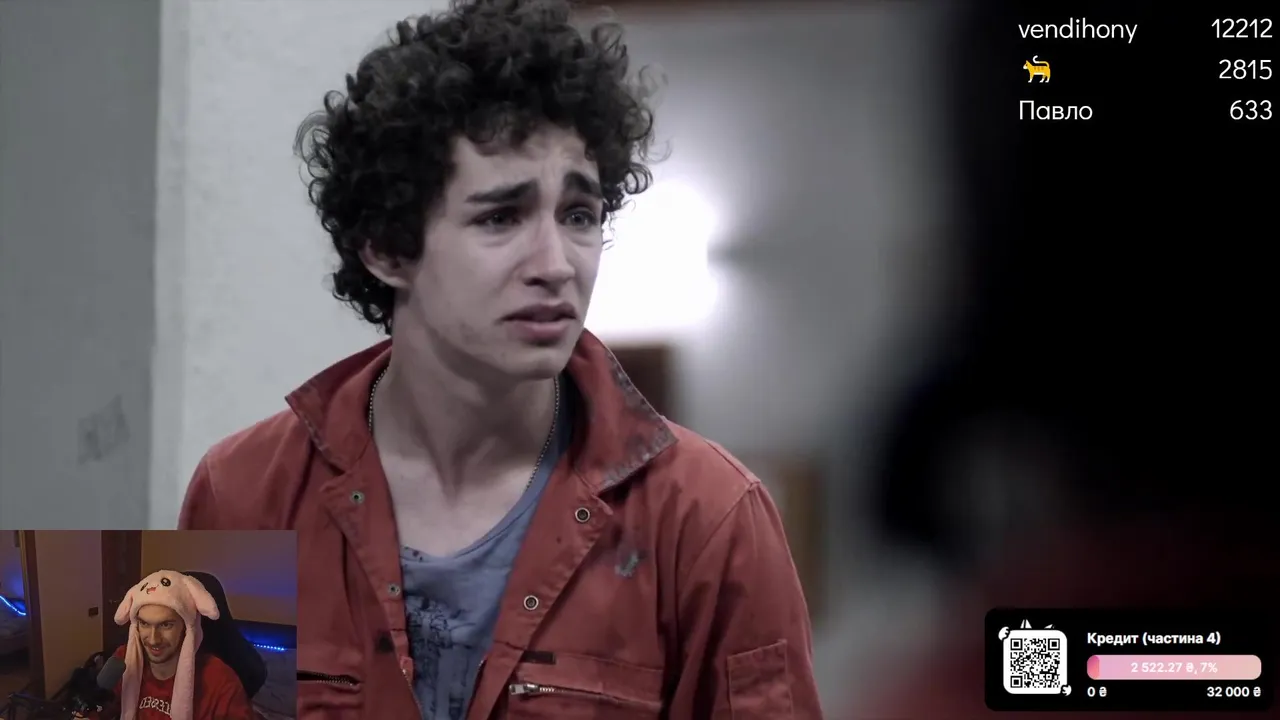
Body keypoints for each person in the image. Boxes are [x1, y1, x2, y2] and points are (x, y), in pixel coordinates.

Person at [177, 0, 821, 718]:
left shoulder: (707, 515)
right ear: (386, 247)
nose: (555, 264)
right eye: (500, 217)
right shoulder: (245, 493)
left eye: (577, 216)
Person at [84, 570, 253, 720]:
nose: (153, 639)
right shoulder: (125, 660)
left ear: (186, 627)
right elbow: (103, 708)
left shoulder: (219, 680)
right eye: (144, 623)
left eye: (166, 625)